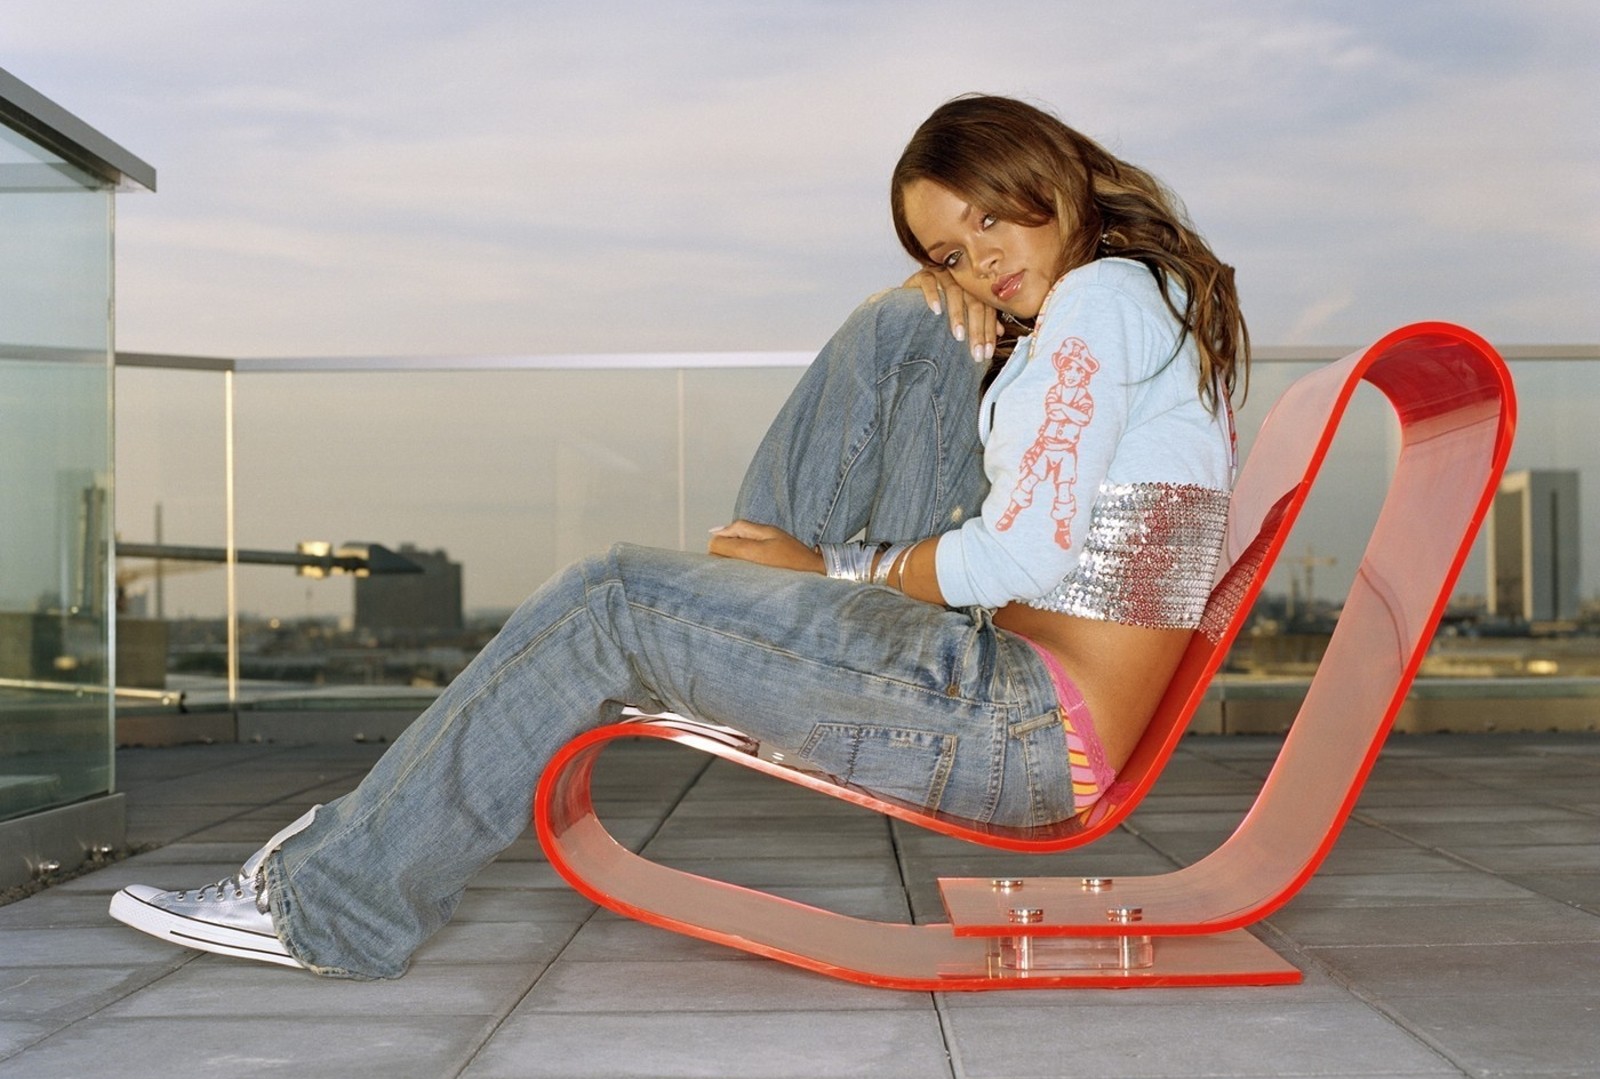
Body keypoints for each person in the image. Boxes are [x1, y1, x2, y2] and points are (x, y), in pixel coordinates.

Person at [109, 94, 1248, 980]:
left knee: (607, 596)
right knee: (902, 330)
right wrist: (920, 303)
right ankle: (732, 611)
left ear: (1049, 176)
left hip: (1017, 731)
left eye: (990, 219)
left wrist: (830, 568)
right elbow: (1037, 517)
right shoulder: (1123, 303)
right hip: (1008, 701)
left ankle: (336, 907)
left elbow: (1026, 557)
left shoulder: (1097, 302)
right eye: (951, 250)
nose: (980, 260)